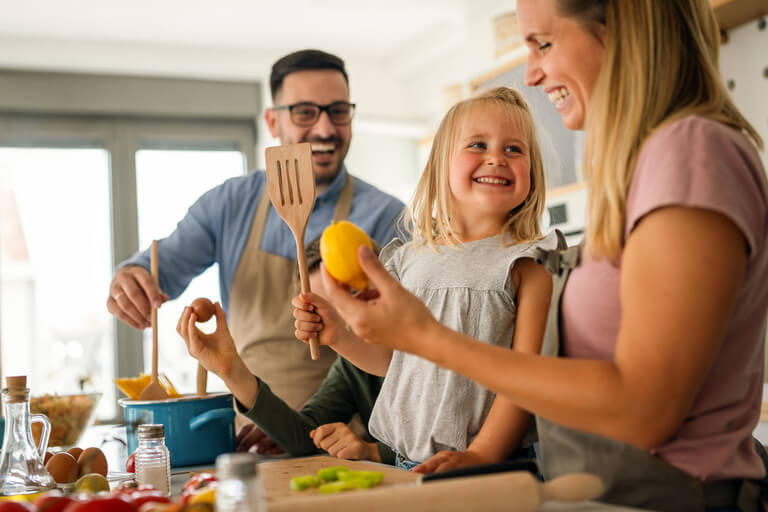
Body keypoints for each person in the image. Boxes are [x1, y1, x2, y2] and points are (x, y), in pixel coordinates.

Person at [313, 1, 768, 510]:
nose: (531, 73)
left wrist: (427, 337)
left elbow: (646, 408)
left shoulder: (691, 155)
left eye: (543, 43)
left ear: (622, 32)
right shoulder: (658, 163)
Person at [106, 49, 405, 415]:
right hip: (247, 425)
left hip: (343, 434)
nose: (326, 129)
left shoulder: (388, 217)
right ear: (273, 122)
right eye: (305, 112)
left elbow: (403, 349)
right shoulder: (230, 203)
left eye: (339, 112)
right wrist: (131, 278)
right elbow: (162, 268)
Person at [294, 86, 561, 473]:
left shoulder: (529, 263)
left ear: (532, 172)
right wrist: (337, 333)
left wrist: (481, 454)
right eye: (478, 145)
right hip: (404, 466)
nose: (496, 159)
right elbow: (394, 361)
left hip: (492, 469)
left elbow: (523, 381)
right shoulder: (409, 259)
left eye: (514, 150)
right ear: (440, 166)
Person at [176, 238, 396, 465]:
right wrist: (230, 369)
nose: (340, 320)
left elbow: (432, 444)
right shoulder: (352, 367)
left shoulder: (421, 341)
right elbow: (305, 436)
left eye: (349, 295)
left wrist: (373, 451)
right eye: (323, 311)